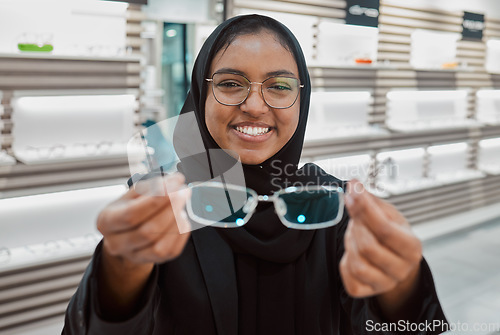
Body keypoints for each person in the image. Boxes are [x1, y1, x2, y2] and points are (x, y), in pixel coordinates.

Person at [63, 14, 447, 334]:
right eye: (231, 83)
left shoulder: (331, 206)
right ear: (201, 92)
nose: (254, 105)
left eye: (278, 87)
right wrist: (119, 270)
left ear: (302, 97)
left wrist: (402, 290)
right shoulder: (164, 203)